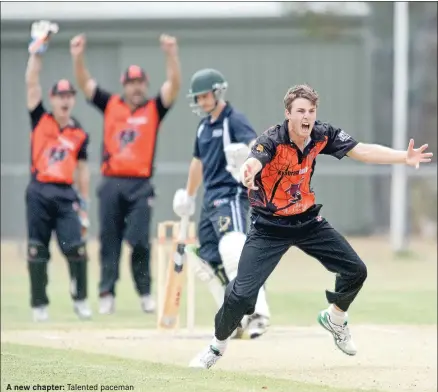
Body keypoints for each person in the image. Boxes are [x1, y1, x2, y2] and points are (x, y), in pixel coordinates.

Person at [190, 83, 433, 368]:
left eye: (312, 111)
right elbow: (255, 159)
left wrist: (402, 157)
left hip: (307, 220)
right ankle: (216, 347)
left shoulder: (322, 134)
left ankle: (336, 318)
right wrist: (248, 169)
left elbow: (362, 151)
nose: (307, 117)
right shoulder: (272, 139)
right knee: (242, 294)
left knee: (356, 271)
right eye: (301, 111)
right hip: (269, 226)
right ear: (288, 114)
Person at [70, 33, 181, 315]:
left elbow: (175, 86)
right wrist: (77, 55)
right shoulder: (111, 105)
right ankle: (107, 293)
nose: (135, 87)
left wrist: (171, 54)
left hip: (140, 184)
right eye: (130, 83)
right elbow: (85, 83)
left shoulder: (153, 109)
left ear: (145, 84)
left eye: (139, 82)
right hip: (111, 183)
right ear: (124, 85)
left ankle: (145, 293)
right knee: (109, 240)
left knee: (141, 240)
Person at [173, 68, 270, 339]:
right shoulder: (204, 127)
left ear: (217, 92)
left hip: (232, 194)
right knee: (206, 259)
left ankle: (258, 313)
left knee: (234, 249)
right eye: (198, 98)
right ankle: (234, 316)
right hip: (210, 200)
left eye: (205, 96)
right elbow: (197, 163)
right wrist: (189, 195)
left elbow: (256, 145)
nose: (202, 102)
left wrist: (248, 159)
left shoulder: (233, 120)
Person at [25, 21, 91, 322]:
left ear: (73, 99)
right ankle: (39, 304)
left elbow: (82, 170)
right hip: (39, 190)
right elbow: (31, 82)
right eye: (60, 95)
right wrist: (37, 49)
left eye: (69, 96)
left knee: (76, 248)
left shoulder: (79, 133)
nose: (65, 100)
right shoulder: (40, 119)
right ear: (53, 99)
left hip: (66, 194)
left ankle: (80, 300)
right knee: (37, 250)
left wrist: (85, 205)